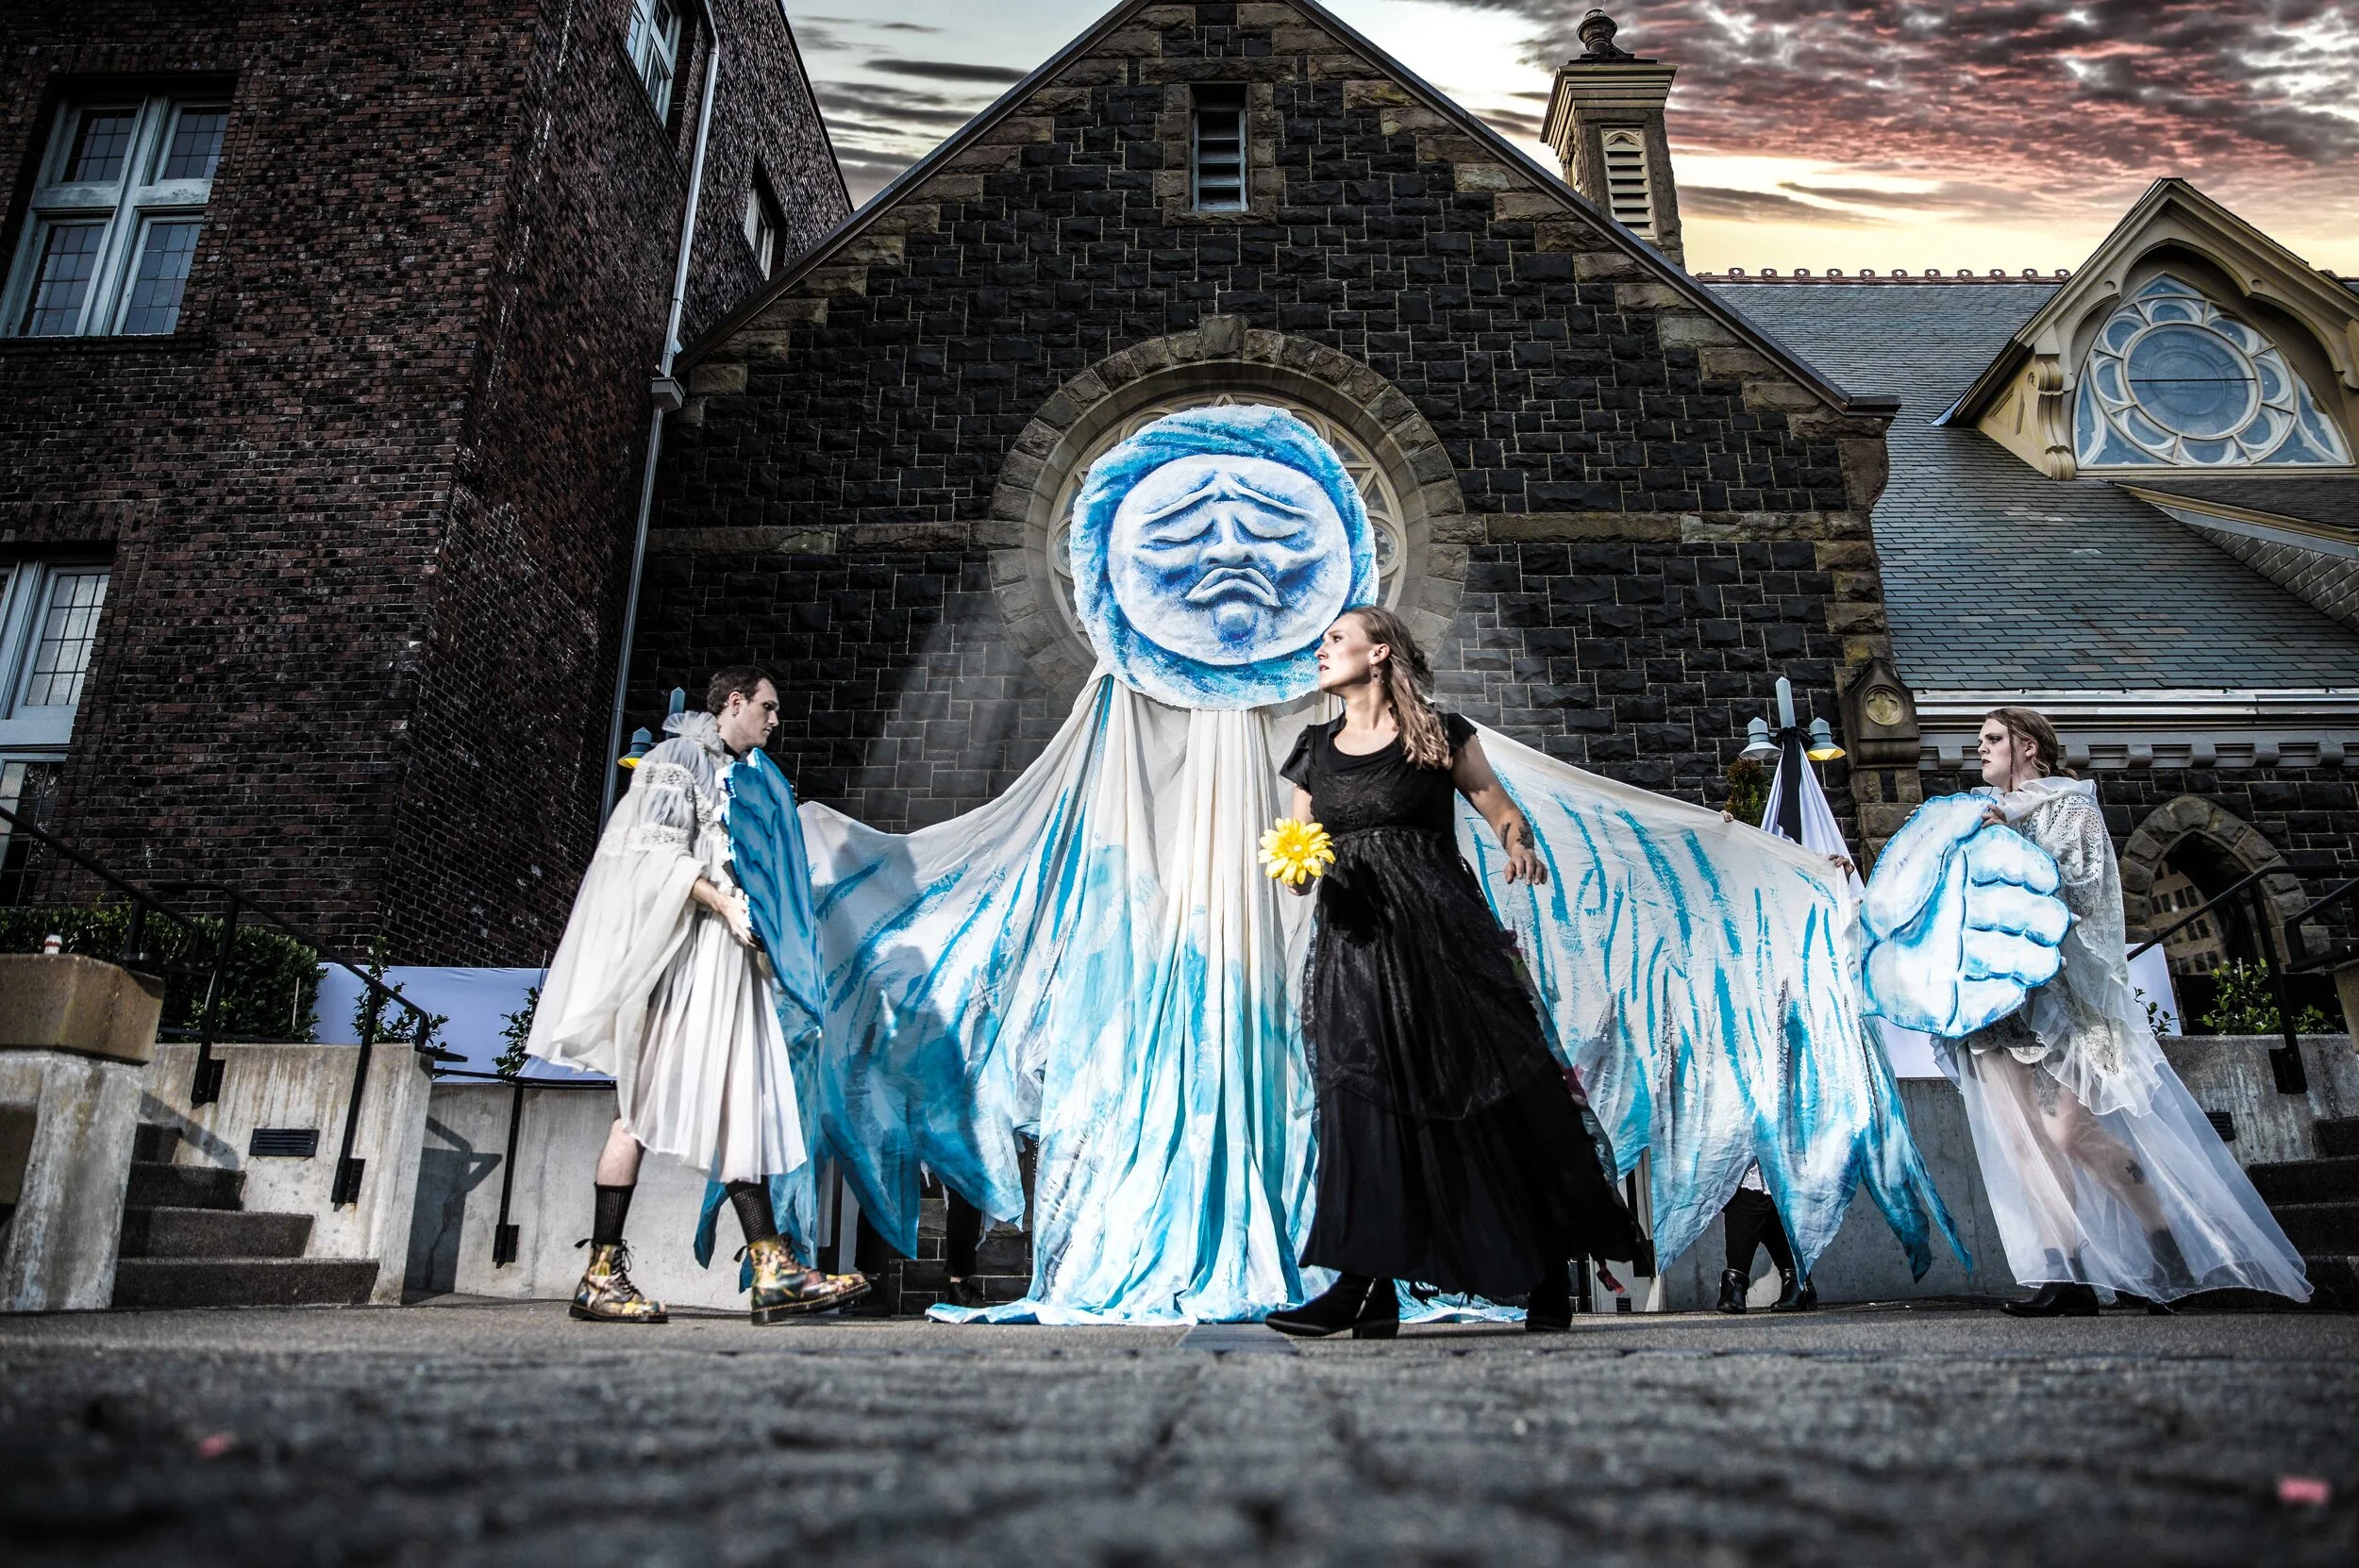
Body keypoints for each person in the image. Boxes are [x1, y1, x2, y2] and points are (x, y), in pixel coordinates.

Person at [1263, 607, 1641, 1339]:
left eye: (1335, 638)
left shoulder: (1439, 734)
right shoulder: (1314, 751)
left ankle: (1544, 1272)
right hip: (1354, 952)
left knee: (1487, 1097)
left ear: (1379, 653)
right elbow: (1299, 849)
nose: (1321, 650)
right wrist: (1296, 869)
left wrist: (1517, 843)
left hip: (1442, 940)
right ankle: (1365, 1288)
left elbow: (1500, 809)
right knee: (1361, 1108)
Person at [1937, 707, 2308, 1316]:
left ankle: (2166, 1247)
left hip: (2064, 999)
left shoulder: (2069, 807)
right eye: (1979, 740)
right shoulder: (1973, 815)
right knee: (2025, 1141)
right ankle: (2067, 1275)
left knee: (2069, 1132)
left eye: (1993, 738)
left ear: (2028, 746)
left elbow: (2083, 894)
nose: (1979, 748)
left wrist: (2009, 844)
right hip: (1996, 1000)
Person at [528, 666, 869, 1325]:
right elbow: (649, 854)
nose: (775, 721)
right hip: (684, 960)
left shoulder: (743, 777)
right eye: (768, 706)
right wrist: (722, 903)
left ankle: (771, 1270)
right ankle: (601, 1275)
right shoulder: (677, 758)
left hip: (726, 964)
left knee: (739, 1107)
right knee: (636, 1113)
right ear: (735, 702)